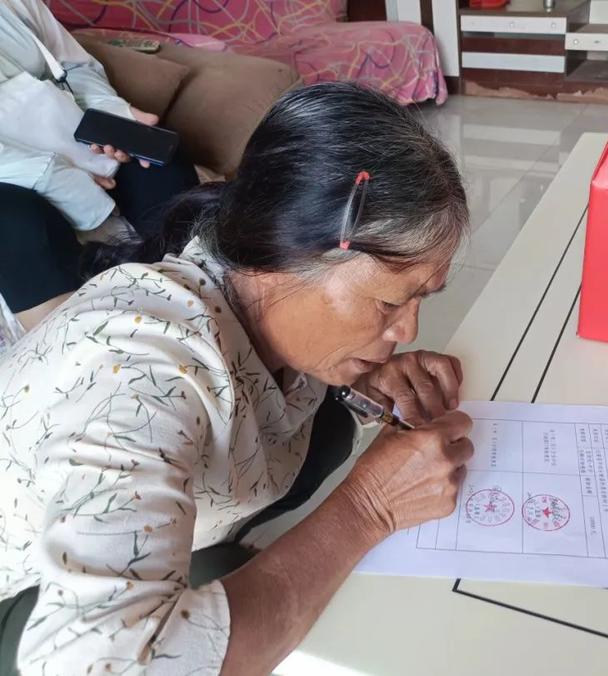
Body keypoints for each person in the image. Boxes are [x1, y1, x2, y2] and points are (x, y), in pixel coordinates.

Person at [0, 81, 473, 676]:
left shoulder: (247, 283)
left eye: (421, 300)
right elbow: (100, 664)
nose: (408, 331)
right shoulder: (139, 373)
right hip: (21, 599)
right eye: (389, 304)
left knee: (327, 428)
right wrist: (367, 510)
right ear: (280, 260)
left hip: (149, 535)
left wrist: (363, 382)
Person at [0, 0, 199, 331]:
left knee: (160, 163)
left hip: (65, 137)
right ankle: (75, 346)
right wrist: (52, 174)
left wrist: (113, 118)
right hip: (11, 173)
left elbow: (72, 68)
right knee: (14, 221)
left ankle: (199, 302)